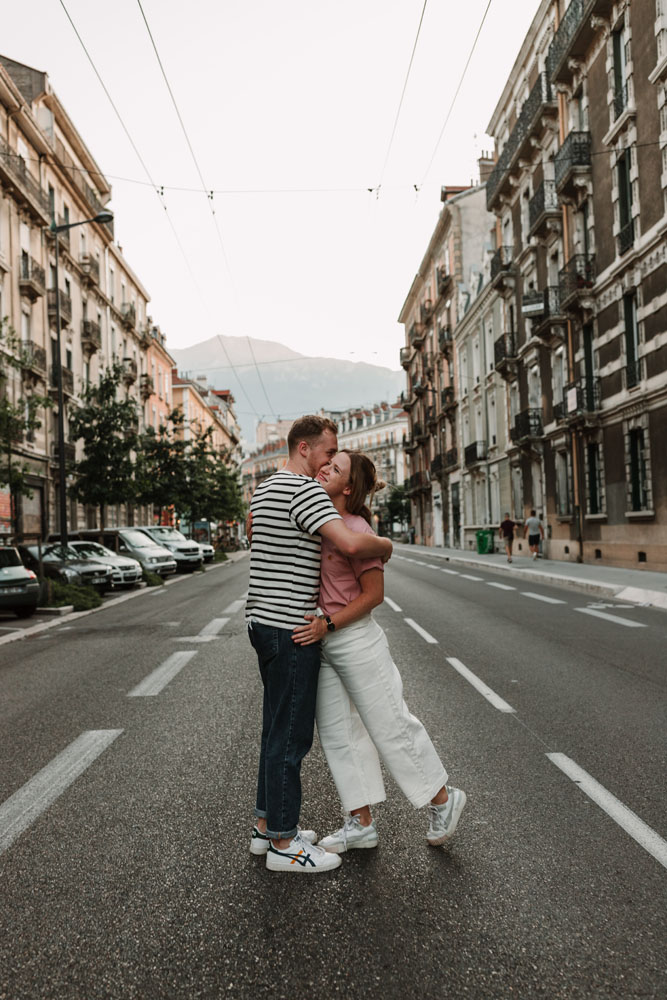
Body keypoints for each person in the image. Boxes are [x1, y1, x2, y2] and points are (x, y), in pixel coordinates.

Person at [292, 450, 466, 853]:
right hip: (326, 643)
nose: (324, 468)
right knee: (338, 735)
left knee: (390, 724)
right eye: (327, 463)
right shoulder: (325, 525)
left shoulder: (356, 530)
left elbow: (375, 595)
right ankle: (360, 822)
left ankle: (443, 798)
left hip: (354, 639)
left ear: (348, 488)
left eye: (334, 469)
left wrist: (329, 624)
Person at [246, 416, 393, 874]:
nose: (331, 460)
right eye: (329, 453)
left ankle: (265, 826)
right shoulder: (305, 490)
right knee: (291, 738)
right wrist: (387, 545)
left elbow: (253, 532)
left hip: (260, 623)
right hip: (293, 628)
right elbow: (351, 546)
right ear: (305, 448)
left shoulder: (266, 487)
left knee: (274, 729)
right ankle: (285, 845)